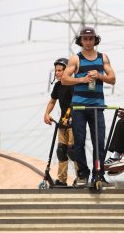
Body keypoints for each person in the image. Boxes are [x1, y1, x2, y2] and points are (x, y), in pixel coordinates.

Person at [61, 27, 116, 187]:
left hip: (97, 106)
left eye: (91, 38)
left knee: (99, 141)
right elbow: (64, 79)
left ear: (95, 40)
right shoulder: (75, 59)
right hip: (79, 107)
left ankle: (98, 175)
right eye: (85, 39)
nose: (88, 42)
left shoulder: (103, 57)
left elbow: (112, 79)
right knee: (78, 142)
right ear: (81, 41)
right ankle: (82, 174)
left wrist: (99, 76)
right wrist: (82, 80)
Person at [43, 58, 76, 186]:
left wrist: (70, 117)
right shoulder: (58, 86)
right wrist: (46, 114)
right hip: (63, 123)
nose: (56, 73)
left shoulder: (73, 85)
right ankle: (62, 180)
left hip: (74, 123)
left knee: (73, 151)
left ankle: (80, 177)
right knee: (61, 151)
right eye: (56, 71)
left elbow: (76, 103)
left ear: (67, 70)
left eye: (59, 70)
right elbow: (52, 101)